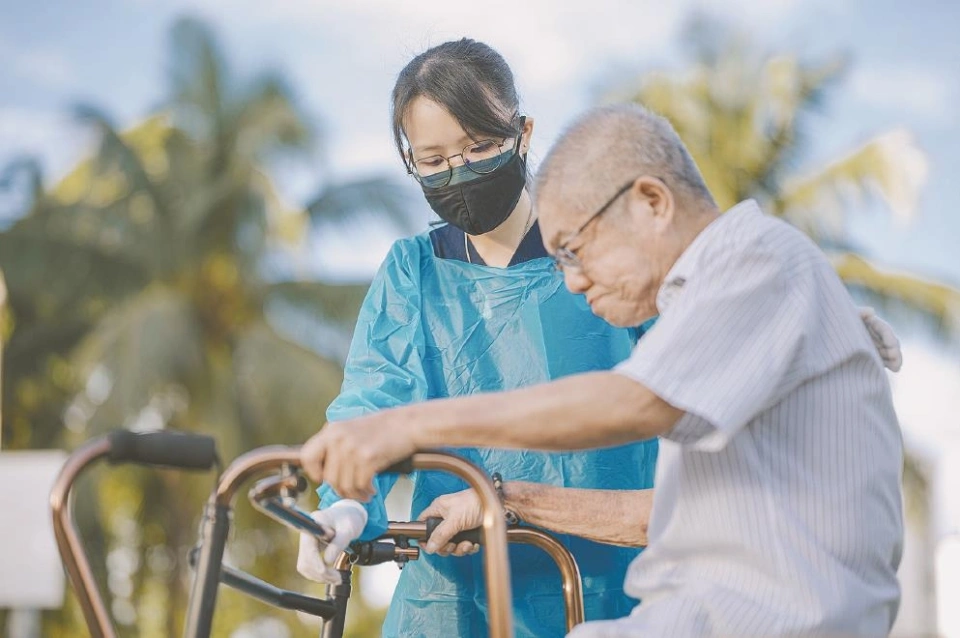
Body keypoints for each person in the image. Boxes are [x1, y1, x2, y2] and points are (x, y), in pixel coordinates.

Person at [300, 103, 905, 637]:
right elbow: (654, 516)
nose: (570, 279)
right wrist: (504, 498)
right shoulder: (722, 316)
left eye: (573, 249)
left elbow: (633, 403)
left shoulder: (757, 262)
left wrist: (406, 429)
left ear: (651, 202)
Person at [296, 40, 659, 638]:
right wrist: (346, 505)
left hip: (604, 581)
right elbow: (374, 402)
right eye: (433, 160)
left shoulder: (599, 256)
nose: (459, 172)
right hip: (454, 593)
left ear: (523, 132)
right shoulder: (414, 270)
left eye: (480, 147)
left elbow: (686, 403)